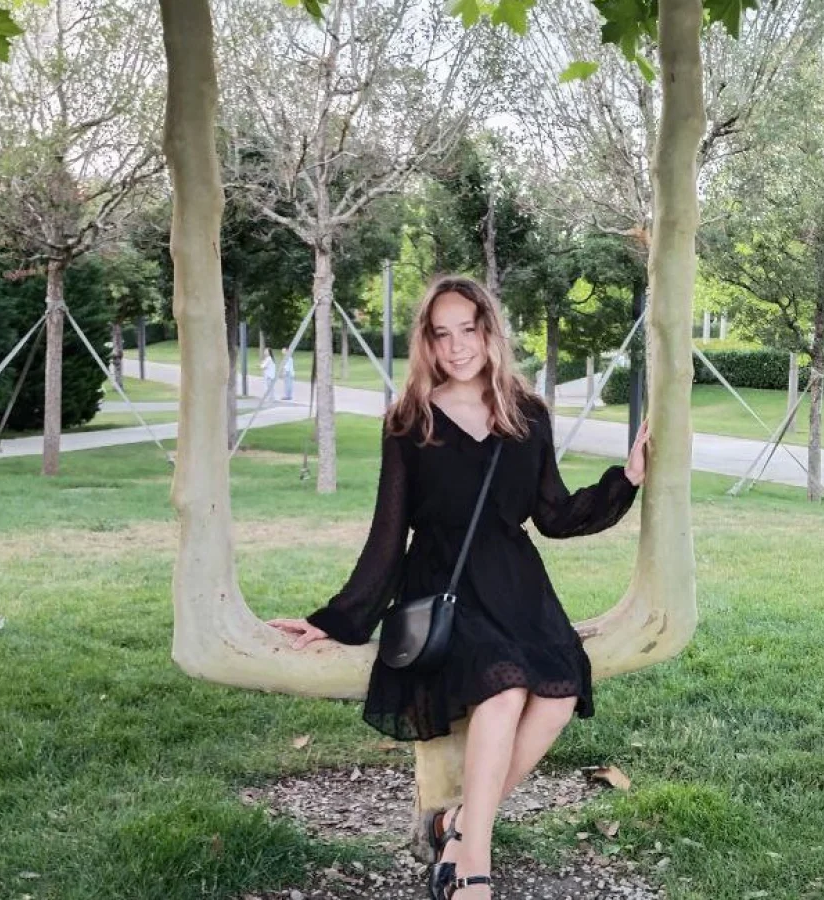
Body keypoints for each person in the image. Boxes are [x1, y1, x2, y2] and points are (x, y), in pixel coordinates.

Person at [267, 276, 649, 899]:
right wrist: (337, 619)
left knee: (557, 694)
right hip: (442, 581)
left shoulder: (528, 415)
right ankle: (474, 867)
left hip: (516, 584)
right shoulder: (409, 421)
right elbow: (388, 531)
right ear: (428, 343)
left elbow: (553, 514)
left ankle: (460, 823)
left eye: (467, 330)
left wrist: (625, 479)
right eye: (442, 334)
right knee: (504, 687)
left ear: (489, 332)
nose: (456, 346)